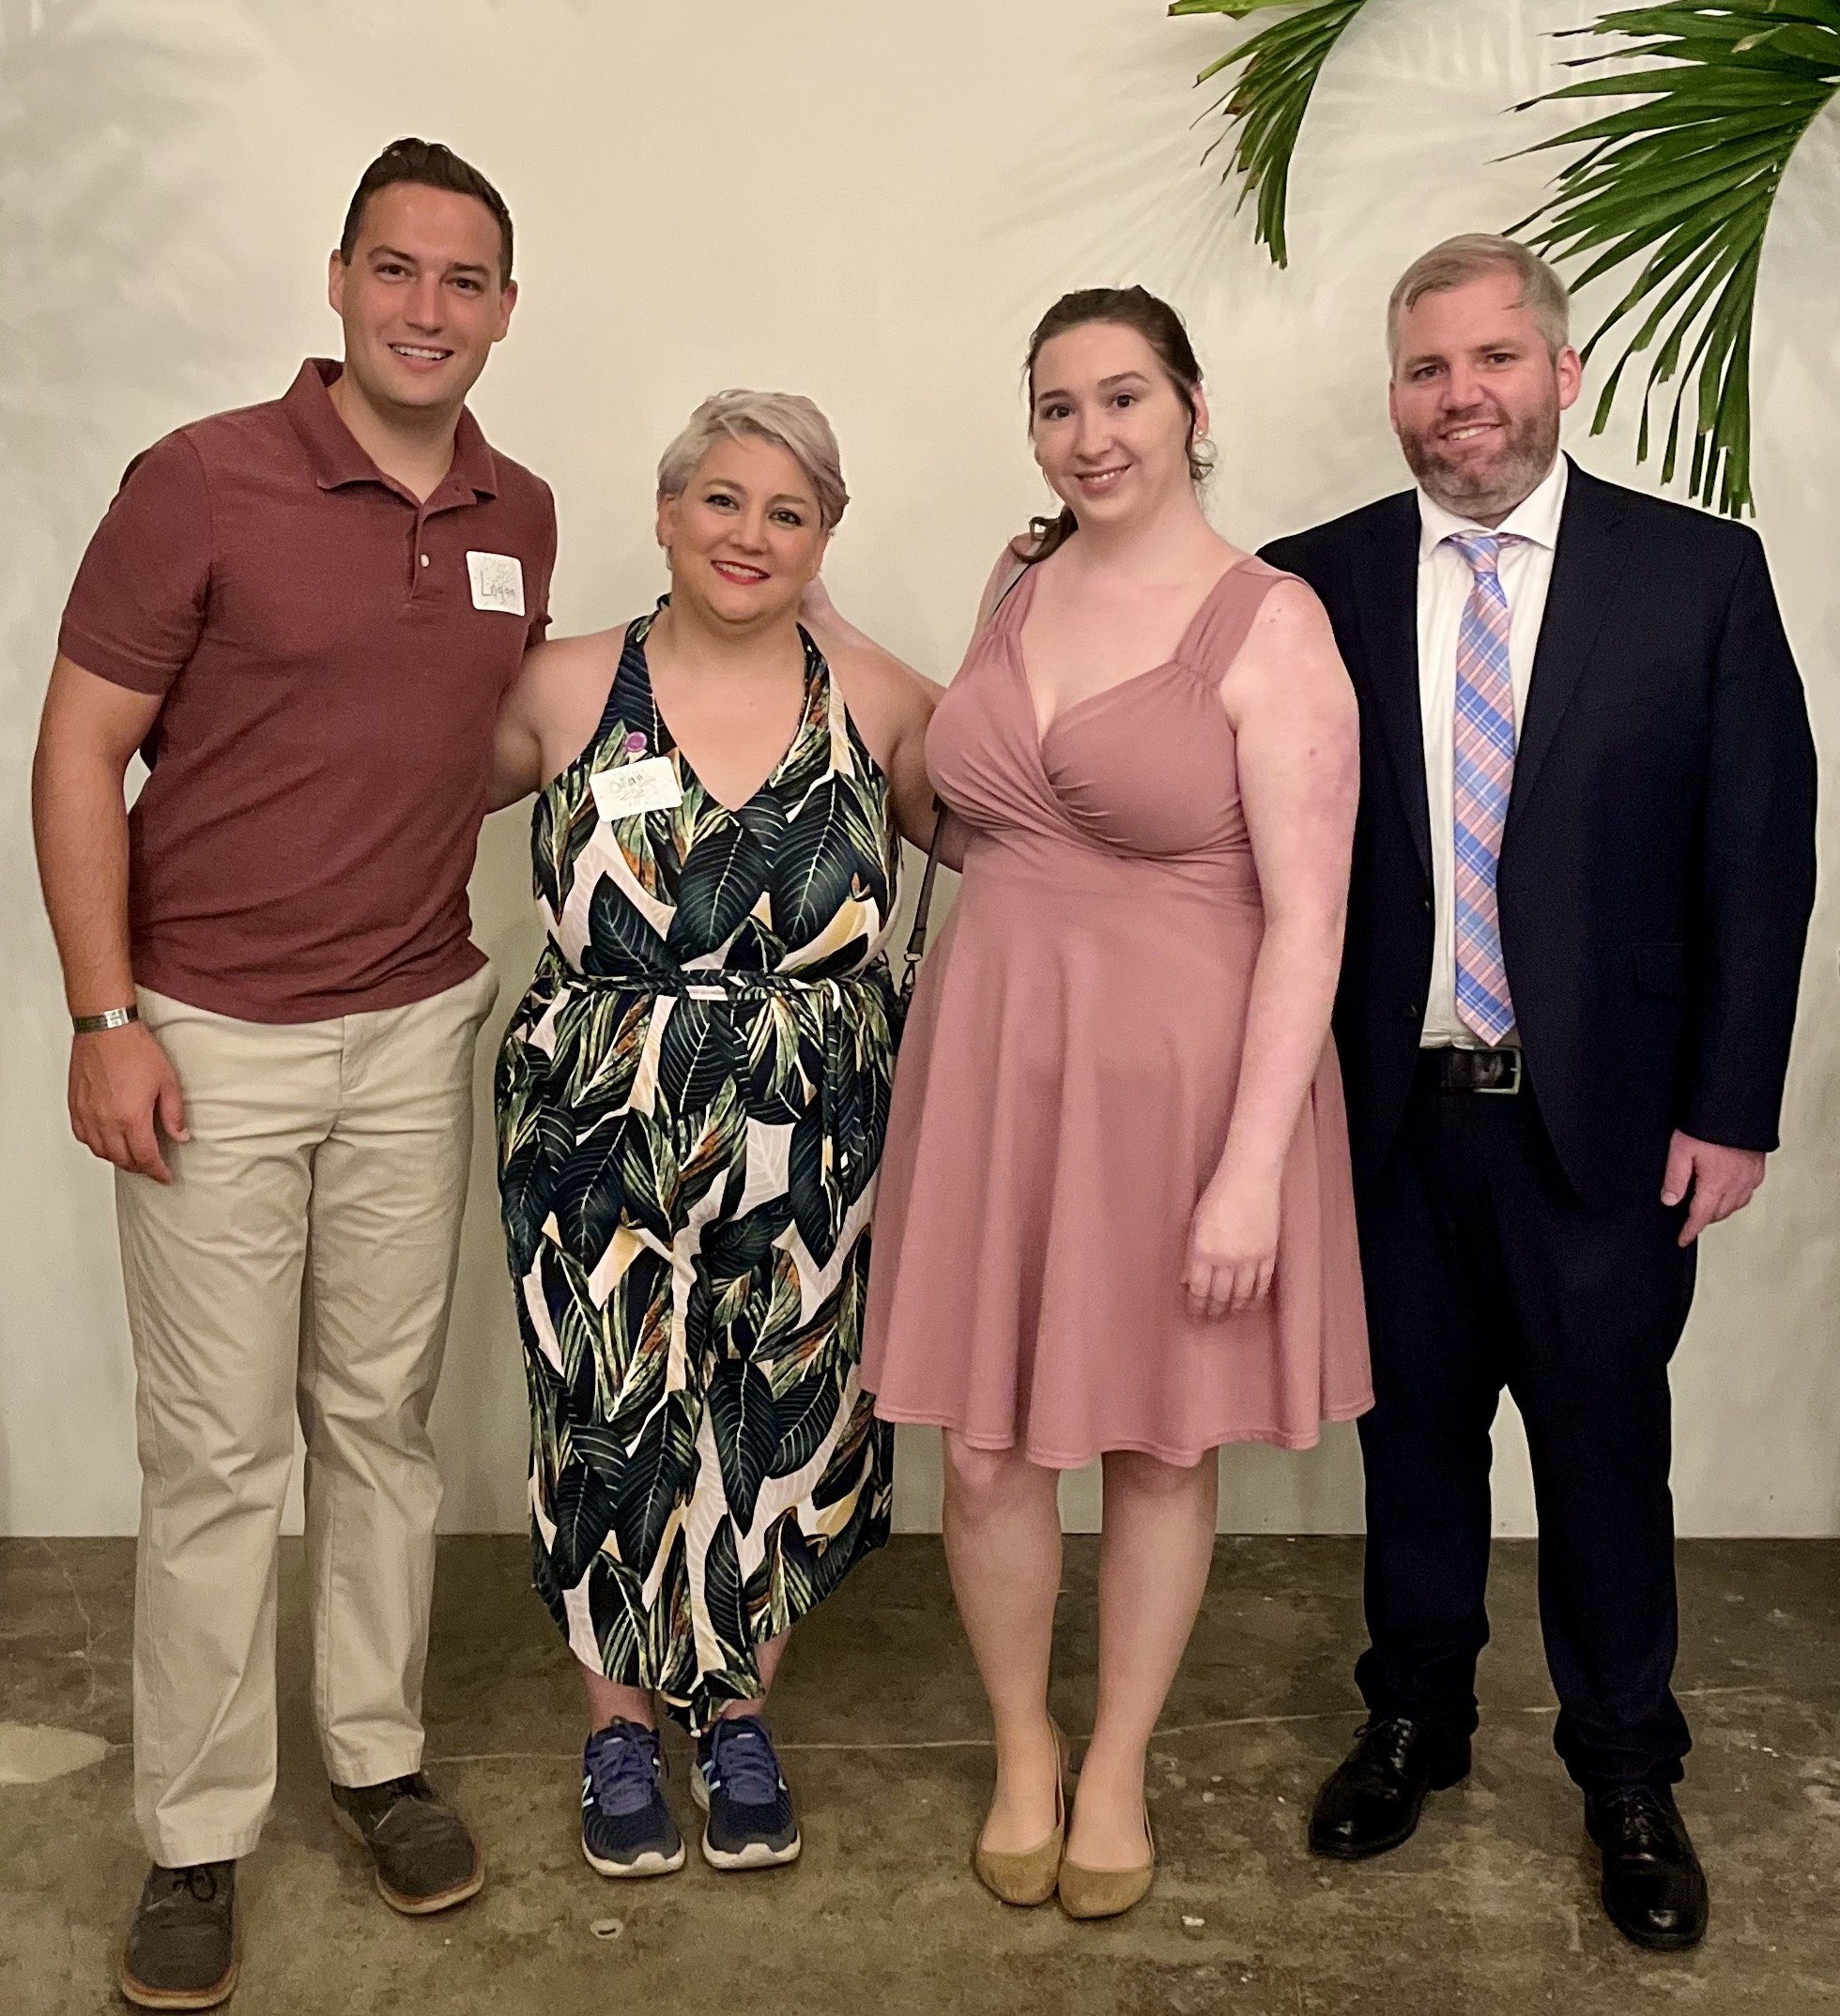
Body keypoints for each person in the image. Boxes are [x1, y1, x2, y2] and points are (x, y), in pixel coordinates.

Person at [30, 139, 555, 2009]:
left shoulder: (521, 508)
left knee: (381, 1425)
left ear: (505, 306)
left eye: (466, 279)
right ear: (337, 283)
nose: (429, 308)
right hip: (208, 1035)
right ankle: (192, 1834)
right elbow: (80, 750)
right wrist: (106, 1020)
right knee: (217, 1455)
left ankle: (374, 1752)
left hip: (416, 1024)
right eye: (397, 271)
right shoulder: (201, 483)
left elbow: (460, 739)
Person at [1261, 235, 1817, 1952]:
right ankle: (1417, 1716)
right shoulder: (1313, 584)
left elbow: (1760, 854)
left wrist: (1732, 1106)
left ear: (1561, 373)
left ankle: (1627, 1770)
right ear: (1397, 391)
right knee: (1411, 1443)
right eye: (1427, 369)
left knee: (1601, 1455)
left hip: (1606, 1125)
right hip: (1389, 1117)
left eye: (1494, 360)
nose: (1462, 397)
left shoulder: (1697, 577)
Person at [863, 287, 1369, 1919]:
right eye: (1058, 405)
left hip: (1185, 1094)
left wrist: (1247, 1176)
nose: (1092, 435)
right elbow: (971, 815)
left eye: (1125, 397)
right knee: (992, 1450)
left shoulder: (1272, 622)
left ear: (1194, 410)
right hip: (999, 1063)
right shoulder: (1016, 583)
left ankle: (1125, 1759)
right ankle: (1025, 1745)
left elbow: (1311, 915)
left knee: (1155, 1444)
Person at [489, 389, 937, 1881]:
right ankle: (620, 1722)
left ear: (827, 540)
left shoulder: (871, 698)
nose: (751, 535)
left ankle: (737, 1707)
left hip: (815, 1121)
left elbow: (1028, 823)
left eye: (789, 512)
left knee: (783, 1407)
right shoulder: (560, 688)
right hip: (597, 1113)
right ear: (669, 514)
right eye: (724, 502)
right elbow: (380, 801)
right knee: (613, 1404)